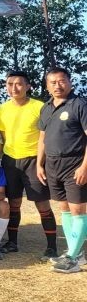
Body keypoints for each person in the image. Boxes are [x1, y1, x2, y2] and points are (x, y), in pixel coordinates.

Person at [0, 70, 54, 258]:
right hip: (10, 161)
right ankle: (12, 242)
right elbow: (3, 138)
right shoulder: (2, 109)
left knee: (42, 204)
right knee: (14, 203)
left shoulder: (40, 107)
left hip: (34, 161)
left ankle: (52, 247)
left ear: (28, 86)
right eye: (9, 84)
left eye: (19, 84)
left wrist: (41, 162)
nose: (14, 88)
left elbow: (46, 136)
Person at [37, 67, 87, 273]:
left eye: (62, 81)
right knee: (64, 208)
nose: (58, 85)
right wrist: (40, 163)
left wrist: (84, 167)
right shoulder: (46, 108)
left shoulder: (80, 104)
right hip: (52, 165)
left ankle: (73, 258)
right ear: (47, 86)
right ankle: (75, 252)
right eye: (53, 82)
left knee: (78, 210)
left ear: (69, 82)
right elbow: (42, 137)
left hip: (74, 164)